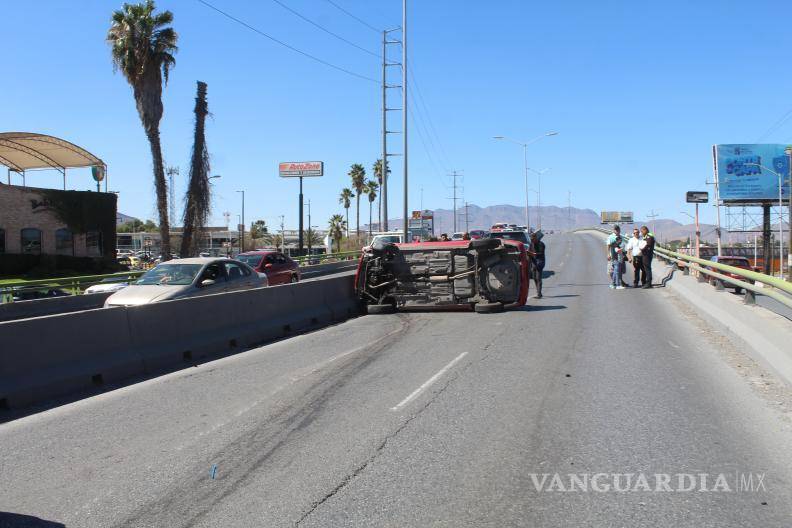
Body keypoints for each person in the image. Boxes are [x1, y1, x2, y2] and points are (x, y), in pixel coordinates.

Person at [606, 225, 626, 289]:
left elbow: (623, 245)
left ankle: (612, 284)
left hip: (620, 255)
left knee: (616, 270)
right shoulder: (611, 237)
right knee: (616, 270)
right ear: (614, 230)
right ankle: (618, 285)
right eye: (616, 230)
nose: (617, 231)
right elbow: (608, 246)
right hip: (614, 255)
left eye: (618, 230)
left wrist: (623, 252)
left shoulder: (621, 237)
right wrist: (608, 254)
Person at [529, 231, 546, 298]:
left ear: (536, 238)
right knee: (534, 278)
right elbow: (529, 252)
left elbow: (541, 253)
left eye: (533, 239)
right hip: (533, 262)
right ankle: (538, 291)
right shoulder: (531, 244)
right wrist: (528, 254)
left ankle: (539, 293)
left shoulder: (541, 244)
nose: (532, 240)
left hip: (540, 262)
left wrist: (533, 254)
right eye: (531, 239)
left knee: (538, 278)